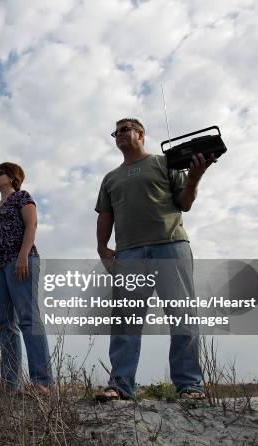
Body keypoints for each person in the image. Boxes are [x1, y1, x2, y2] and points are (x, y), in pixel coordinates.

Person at [95, 118, 215, 400]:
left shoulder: (165, 163)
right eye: (115, 132)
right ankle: (120, 386)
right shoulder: (111, 178)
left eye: (124, 129)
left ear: (140, 133)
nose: (118, 135)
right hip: (129, 253)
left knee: (182, 315)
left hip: (170, 246)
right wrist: (102, 248)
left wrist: (195, 177)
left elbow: (184, 203)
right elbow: (105, 214)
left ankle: (190, 386)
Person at [0, 162, 53, 395]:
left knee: (27, 318)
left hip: (19, 261)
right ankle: (10, 382)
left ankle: (42, 381)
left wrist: (23, 256)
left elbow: (31, 224)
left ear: (12, 177)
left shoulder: (22, 197)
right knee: (5, 324)